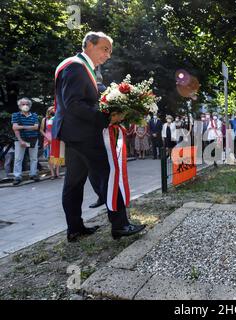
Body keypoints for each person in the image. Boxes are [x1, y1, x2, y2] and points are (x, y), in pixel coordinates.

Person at [52, 31, 145, 242]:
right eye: (105, 49)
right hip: (82, 133)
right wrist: (107, 118)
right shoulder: (76, 66)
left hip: (74, 132)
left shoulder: (85, 69)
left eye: (110, 51)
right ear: (89, 45)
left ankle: (75, 228)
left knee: (74, 182)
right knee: (107, 175)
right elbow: (74, 105)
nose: (108, 55)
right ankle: (120, 225)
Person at [11, 97, 40, 185]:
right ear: (19, 106)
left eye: (27, 104)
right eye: (23, 104)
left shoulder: (34, 115)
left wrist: (22, 126)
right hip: (20, 139)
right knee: (18, 159)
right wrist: (21, 141)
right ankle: (17, 176)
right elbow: (15, 128)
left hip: (33, 139)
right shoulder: (15, 115)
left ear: (30, 106)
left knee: (34, 158)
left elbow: (36, 127)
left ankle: (33, 174)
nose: (25, 106)